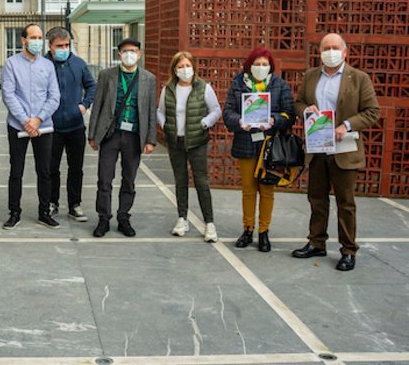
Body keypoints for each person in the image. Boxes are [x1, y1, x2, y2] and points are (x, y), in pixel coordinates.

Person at [292, 33, 380, 271]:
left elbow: (372, 111)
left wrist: (347, 125)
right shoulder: (311, 76)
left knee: (346, 203)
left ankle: (348, 250)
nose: (330, 52)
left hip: (344, 148)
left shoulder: (359, 78)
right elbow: (298, 102)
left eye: (334, 48)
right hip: (318, 147)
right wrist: (305, 110)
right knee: (317, 198)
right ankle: (316, 242)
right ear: (320, 52)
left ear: (344, 52)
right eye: (326, 48)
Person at [222, 47, 295, 252]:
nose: (260, 68)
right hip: (245, 142)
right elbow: (228, 112)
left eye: (265, 64)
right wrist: (240, 121)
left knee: (267, 189)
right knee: (248, 190)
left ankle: (264, 231)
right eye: (257, 64)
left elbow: (290, 113)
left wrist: (274, 120)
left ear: (271, 66)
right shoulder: (238, 83)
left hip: (270, 145)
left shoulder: (279, 85)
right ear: (249, 65)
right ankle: (247, 229)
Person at [88, 38, 157, 238]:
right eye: (125, 51)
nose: (129, 55)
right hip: (110, 134)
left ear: (140, 54)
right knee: (104, 178)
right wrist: (92, 135)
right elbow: (97, 106)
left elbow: (151, 110)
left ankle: (123, 217)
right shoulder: (106, 75)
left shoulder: (148, 79)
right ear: (119, 54)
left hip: (134, 136)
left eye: (133, 51)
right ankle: (103, 218)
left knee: (129, 179)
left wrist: (150, 139)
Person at [1, 23, 61, 230]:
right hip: (17, 125)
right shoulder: (11, 64)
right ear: (23, 40)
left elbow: (54, 96)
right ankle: (14, 212)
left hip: (43, 126)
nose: (37, 41)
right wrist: (26, 121)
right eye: (33, 37)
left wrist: (38, 120)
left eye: (39, 37)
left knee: (44, 171)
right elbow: (9, 95)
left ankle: (44, 212)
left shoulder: (48, 65)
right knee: (16, 171)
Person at [157, 51, 221, 242]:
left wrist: (205, 122)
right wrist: (165, 124)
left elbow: (216, 109)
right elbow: (160, 111)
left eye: (187, 66)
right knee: (180, 180)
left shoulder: (204, 88)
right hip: (176, 141)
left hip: (197, 141)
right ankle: (182, 219)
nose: (184, 70)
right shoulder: (168, 89)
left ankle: (209, 223)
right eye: (180, 67)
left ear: (193, 67)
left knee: (201, 181)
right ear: (174, 70)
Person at [45, 27, 96, 222]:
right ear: (50, 46)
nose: (64, 49)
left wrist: (84, 105)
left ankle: (75, 204)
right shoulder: (43, 64)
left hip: (75, 126)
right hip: (51, 127)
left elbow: (91, 85)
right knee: (51, 168)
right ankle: (52, 203)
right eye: (59, 46)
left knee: (76, 168)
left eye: (67, 45)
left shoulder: (79, 64)